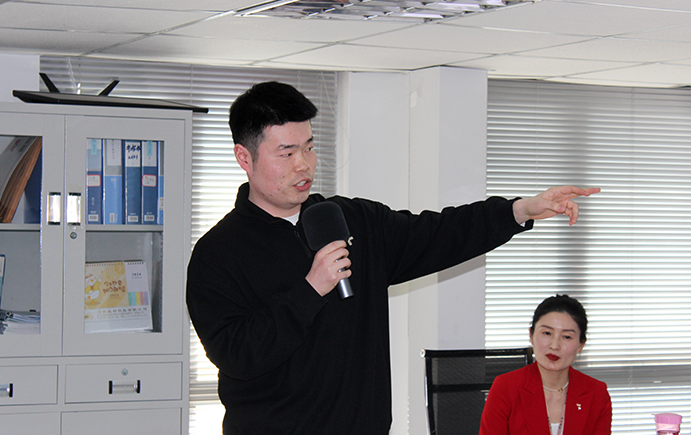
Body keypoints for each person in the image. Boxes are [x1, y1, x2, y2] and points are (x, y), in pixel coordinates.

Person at [185, 81, 601, 435]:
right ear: (245, 158)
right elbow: (237, 355)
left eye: (309, 147)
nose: (304, 165)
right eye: (286, 153)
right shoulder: (218, 253)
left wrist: (518, 211)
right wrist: (310, 290)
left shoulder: (351, 220)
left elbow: (440, 233)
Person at [479, 294, 612, 435]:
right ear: (531, 335)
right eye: (547, 333)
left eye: (567, 337)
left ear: (580, 344)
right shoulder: (505, 388)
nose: (554, 345)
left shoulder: (597, 394)